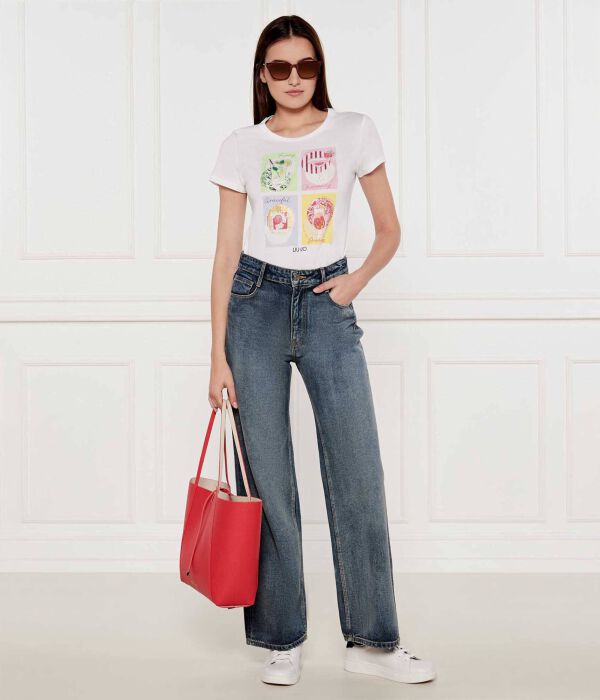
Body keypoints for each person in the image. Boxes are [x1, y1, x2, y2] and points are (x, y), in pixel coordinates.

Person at [207, 14, 436, 687]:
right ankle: (282, 637)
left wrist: (352, 285)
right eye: (280, 68)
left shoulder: (353, 131)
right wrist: (216, 356)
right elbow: (225, 255)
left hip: (327, 301)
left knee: (357, 471)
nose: (294, 79)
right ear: (263, 75)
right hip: (255, 305)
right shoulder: (241, 146)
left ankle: (373, 642)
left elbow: (389, 230)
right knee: (270, 478)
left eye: (305, 66)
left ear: (319, 69)